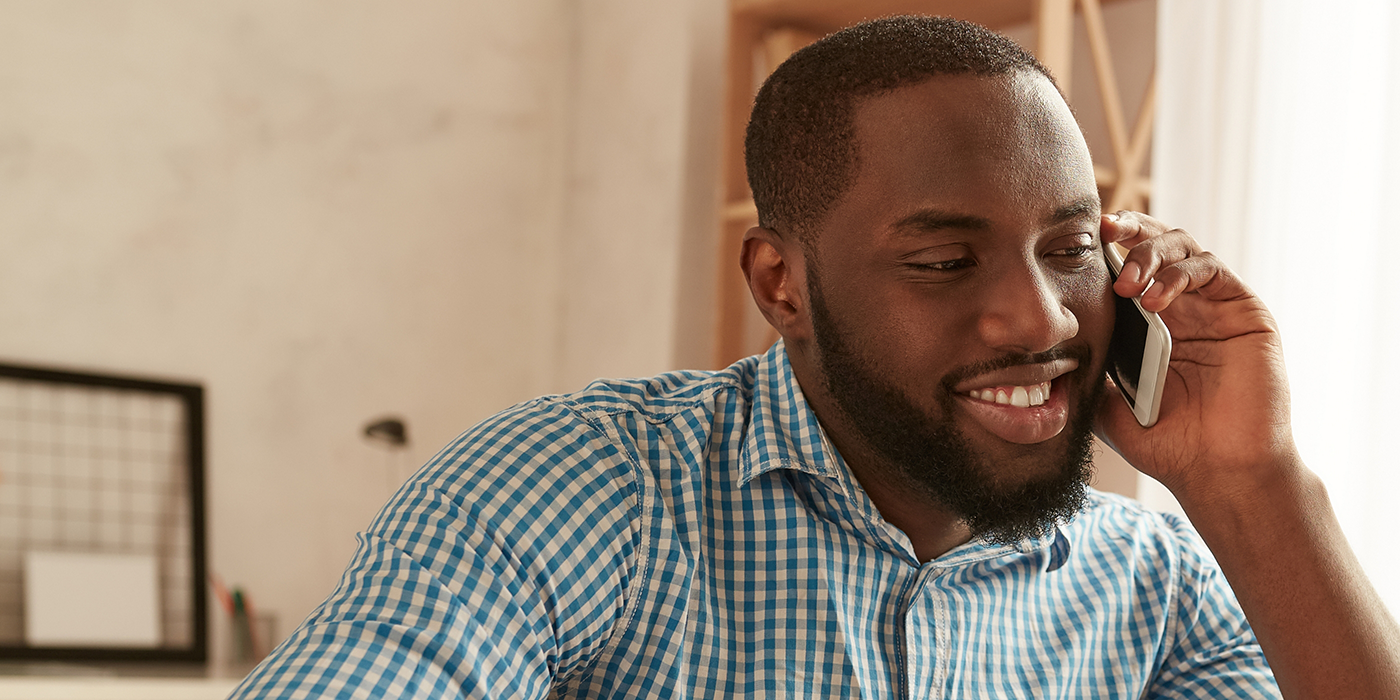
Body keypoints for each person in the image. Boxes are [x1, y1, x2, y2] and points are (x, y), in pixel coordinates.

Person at [229, 16, 1400, 699]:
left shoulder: (1153, 582)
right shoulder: (584, 490)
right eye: (944, 261)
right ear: (780, 283)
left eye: (1070, 248)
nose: (1035, 319)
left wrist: (1255, 487)